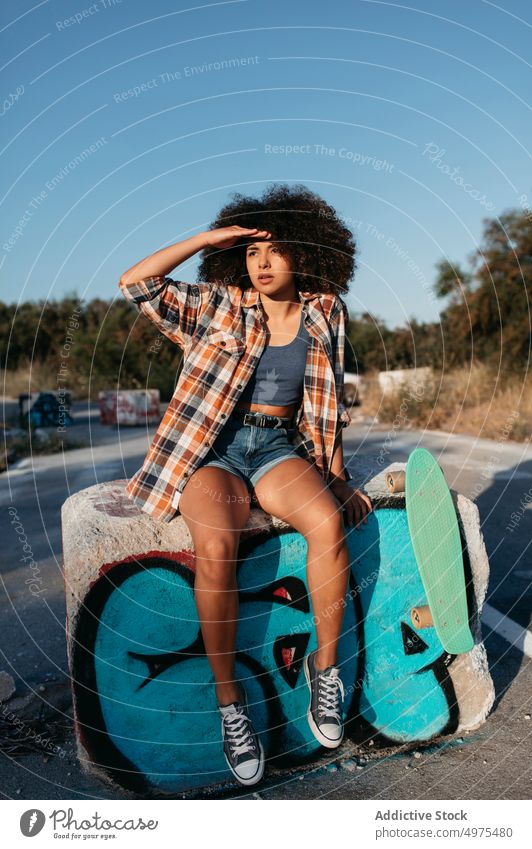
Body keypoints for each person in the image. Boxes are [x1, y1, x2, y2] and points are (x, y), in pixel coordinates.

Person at [119, 183, 373, 787]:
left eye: (275, 250)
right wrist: (211, 238)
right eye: (252, 250)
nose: (261, 263)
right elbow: (135, 284)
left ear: (306, 256)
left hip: (280, 447)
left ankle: (326, 673)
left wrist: (335, 477)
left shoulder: (325, 310)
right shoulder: (219, 306)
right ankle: (231, 704)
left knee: (328, 524)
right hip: (215, 452)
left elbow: (329, 396)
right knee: (216, 548)